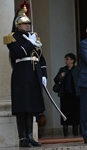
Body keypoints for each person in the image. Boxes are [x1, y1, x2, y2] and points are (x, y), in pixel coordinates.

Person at [3, 1, 47, 147]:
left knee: (32, 106)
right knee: (23, 107)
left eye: (28, 23)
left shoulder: (34, 37)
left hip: (34, 74)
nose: (28, 25)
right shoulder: (13, 37)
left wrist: (44, 74)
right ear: (18, 25)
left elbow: (41, 58)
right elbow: (18, 53)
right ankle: (23, 138)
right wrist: (30, 43)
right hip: (22, 74)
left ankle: (30, 136)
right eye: (24, 24)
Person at [54, 53, 80, 137]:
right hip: (64, 95)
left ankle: (75, 133)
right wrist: (61, 76)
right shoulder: (62, 69)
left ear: (72, 60)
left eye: (67, 59)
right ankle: (65, 133)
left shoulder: (77, 70)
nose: (66, 61)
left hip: (75, 95)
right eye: (65, 59)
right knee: (64, 114)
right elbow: (56, 79)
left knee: (75, 114)